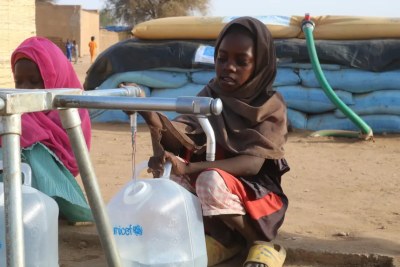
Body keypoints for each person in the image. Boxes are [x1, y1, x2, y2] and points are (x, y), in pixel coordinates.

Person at [137, 17, 289, 267]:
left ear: (260, 64)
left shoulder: (270, 107)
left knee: (208, 180)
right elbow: (185, 130)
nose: (229, 67)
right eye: (222, 58)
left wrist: (191, 168)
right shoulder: (210, 94)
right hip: (217, 179)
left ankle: (259, 244)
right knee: (171, 179)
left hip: (255, 192)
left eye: (242, 62)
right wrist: (152, 116)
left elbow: (252, 164)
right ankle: (224, 240)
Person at [2, 36, 93, 223]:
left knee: (26, 139)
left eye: (35, 81)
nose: (25, 90)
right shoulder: (19, 116)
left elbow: (73, 158)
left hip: (39, 203)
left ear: (55, 78)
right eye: (19, 82)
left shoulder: (74, 116)